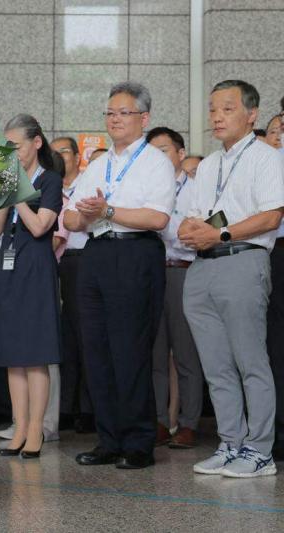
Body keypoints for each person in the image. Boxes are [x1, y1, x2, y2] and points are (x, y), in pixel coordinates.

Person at [64, 82, 176, 469]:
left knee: (129, 350)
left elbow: (157, 217)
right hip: (96, 253)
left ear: (144, 118)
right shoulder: (97, 163)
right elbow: (70, 217)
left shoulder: (155, 162)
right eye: (110, 112)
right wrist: (88, 215)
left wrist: (107, 211)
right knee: (96, 350)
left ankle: (139, 442)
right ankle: (108, 439)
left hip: (135, 252)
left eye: (123, 112)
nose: (114, 119)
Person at [180, 79, 284, 478]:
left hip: (243, 260)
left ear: (252, 114)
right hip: (203, 266)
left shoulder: (265, 157)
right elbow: (195, 215)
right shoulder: (208, 164)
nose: (216, 117)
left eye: (227, 108)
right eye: (212, 109)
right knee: (216, 365)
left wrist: (219, 233)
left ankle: (260, 450)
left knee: (249, 361)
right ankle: (231, 442)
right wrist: (190, 231)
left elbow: (272, 215)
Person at [0, 114, 62, 459]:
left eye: (15, 146)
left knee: (35, 356)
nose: (11, 152)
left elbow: (39, 227)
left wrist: (18, 194)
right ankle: (19, 426)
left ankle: (36, 430)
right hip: (8, 265)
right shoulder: (6, 179)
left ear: (36, 142)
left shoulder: (50, 180)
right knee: (13, 356)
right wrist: (3, 194)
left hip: (35, 265)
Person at [145, 127, 202, 449]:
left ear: (181, 154)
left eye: (164, 150)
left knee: (185, 353)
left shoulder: (196, 189)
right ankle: (159, 421)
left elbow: (192, 231)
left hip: (183, 270)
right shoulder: (148, 189)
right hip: (152, 272)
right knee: (155, 352)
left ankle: (189, 423)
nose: (159, 158)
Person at [50, 136, 94, 434]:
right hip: (56, 266)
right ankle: (65, 407)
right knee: (64, 336)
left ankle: (88, 408)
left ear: (78, 156)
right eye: (53, 153)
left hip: (84, 257)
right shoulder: (49, 188)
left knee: (86, 334)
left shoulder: (88, 182)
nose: (58, 156)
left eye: (64, 151)